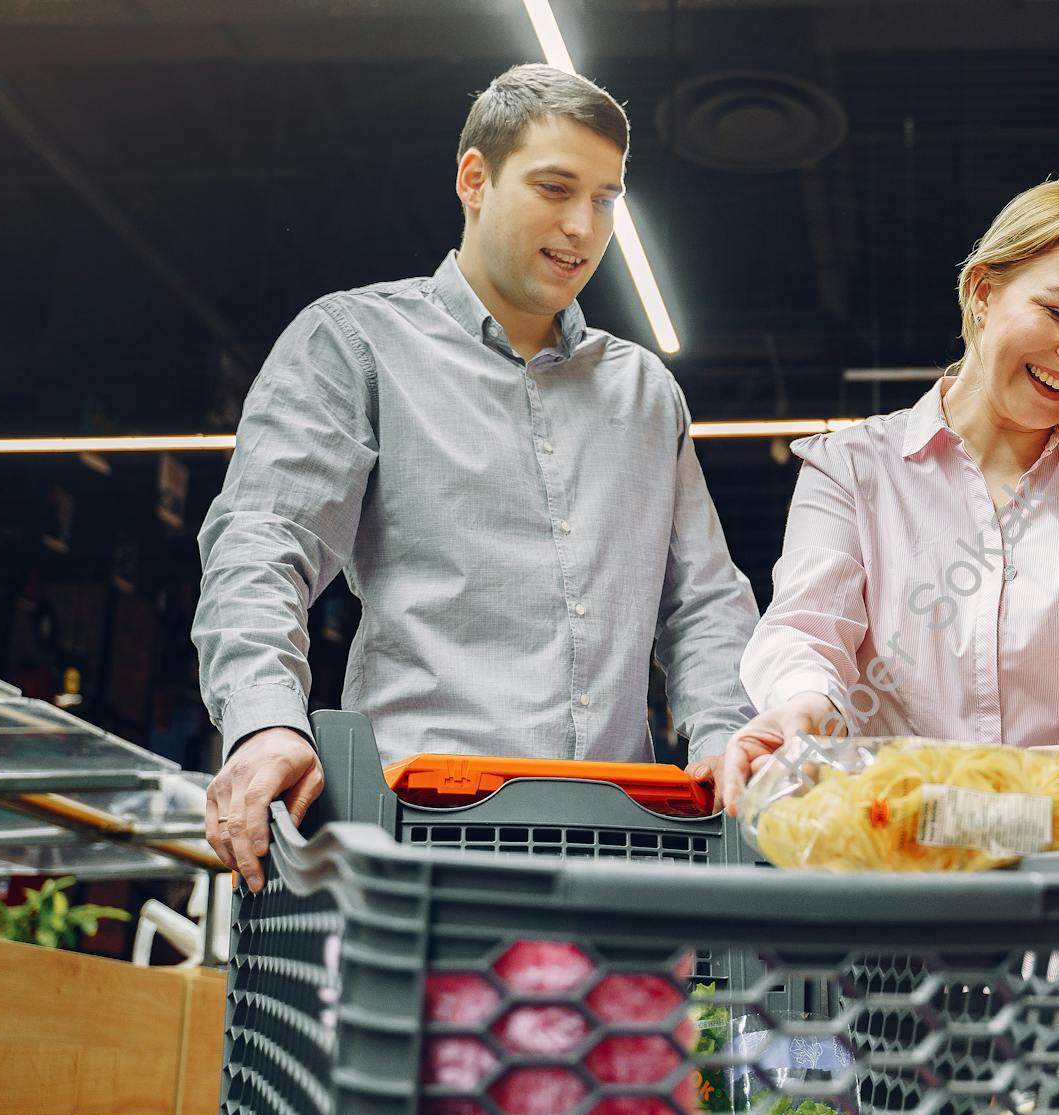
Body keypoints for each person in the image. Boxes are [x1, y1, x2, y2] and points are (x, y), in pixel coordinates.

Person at [194, 64, 758, 889]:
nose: (582, 226)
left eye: (605, 199)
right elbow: (263, 543)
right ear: (474, 179)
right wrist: (265, 723)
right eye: (555, 187)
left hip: (622, 853)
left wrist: (726, 738)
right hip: (415, 847)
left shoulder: (644, 393)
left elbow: (703, 601)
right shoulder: (356, 345)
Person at [717, 177, 1059, 817]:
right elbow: (807, 629)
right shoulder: (852, 469)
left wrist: (1034, 818)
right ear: (982, 292)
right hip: (890, 856)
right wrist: (805, 703)